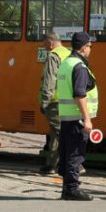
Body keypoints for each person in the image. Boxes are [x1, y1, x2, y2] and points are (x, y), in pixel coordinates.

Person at [57, 31, 98, 201]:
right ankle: (72, 189)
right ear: (83, 48)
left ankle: (67, 189)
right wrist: (87, 118)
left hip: (66, 117)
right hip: (77, 118)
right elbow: (79, 94)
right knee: (76, 154)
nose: (90, 49)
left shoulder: (66, 63)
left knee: (67, 153)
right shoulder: (79, 67)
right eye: (89, 46)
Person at [39, 32, 71, 175]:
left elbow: (49, 81)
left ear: (50, 43)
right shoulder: (68, 53)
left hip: (55, 101)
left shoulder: (53, 56)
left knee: (61, 133)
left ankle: (75, 164)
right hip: (68, 100)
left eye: (45, 44)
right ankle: (51, 164)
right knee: (55, 134)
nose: (44, 47)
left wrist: (45, 101)